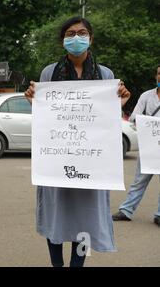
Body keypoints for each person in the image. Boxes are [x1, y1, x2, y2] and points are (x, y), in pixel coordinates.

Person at [24, 16, 131, 267]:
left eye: (81, 33)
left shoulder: (105, 74)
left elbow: (105, 120)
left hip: (90, 165)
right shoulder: (49, 72)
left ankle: (77, 265)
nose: (76, 38)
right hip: (57, 160)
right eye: (70, 33)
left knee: (85, 221)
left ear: (90, 38)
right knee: (55, 216)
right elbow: (46, 116)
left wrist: (120, 104)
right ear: (63, 40)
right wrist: (34, 101)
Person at [113, 64, 160, 226]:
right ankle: (126, 210)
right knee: (139, 181)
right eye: (159, 74)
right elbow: (134, 118)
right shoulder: (147, 96)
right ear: (156, 76)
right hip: (149, 149)